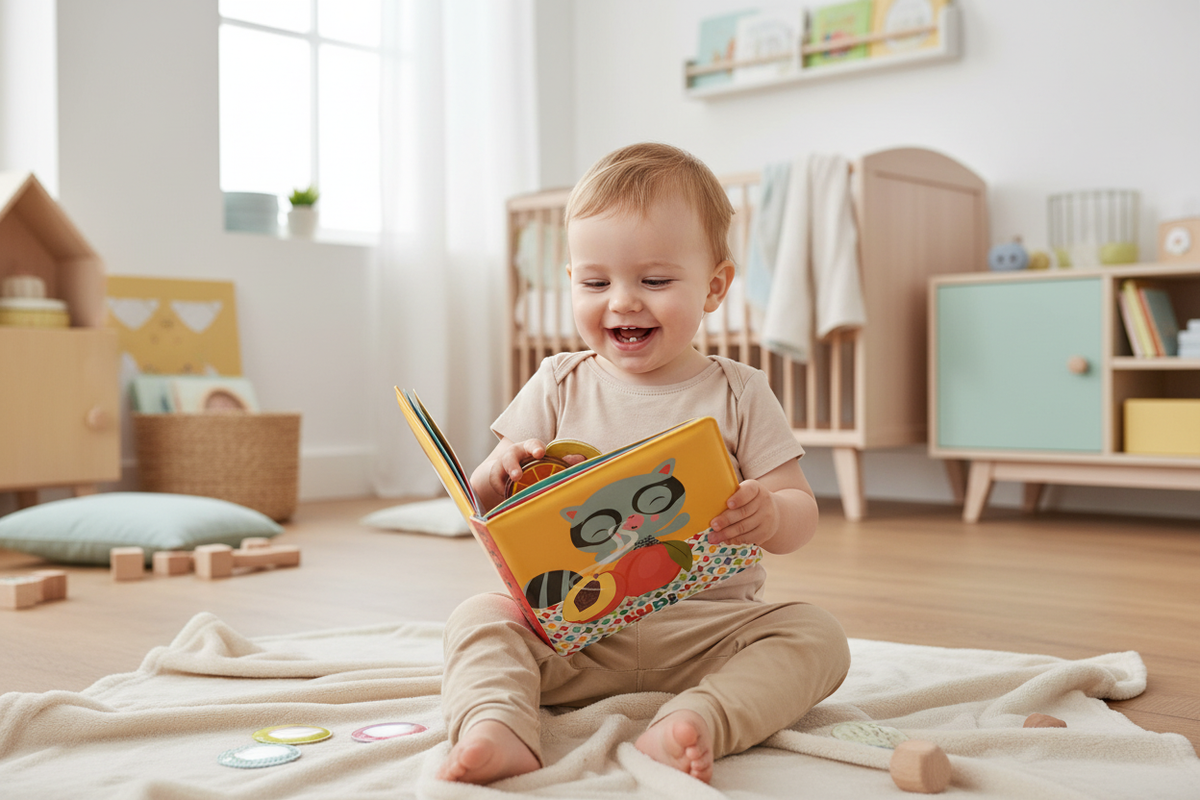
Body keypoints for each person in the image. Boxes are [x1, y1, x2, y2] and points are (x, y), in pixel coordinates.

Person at [437, 142, 851, 785]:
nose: (623, 302)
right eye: (596, 282)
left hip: (707, 634)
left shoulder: (740, 391)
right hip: (575, 639)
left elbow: (801, 515)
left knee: (817, 636)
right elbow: (484, 501)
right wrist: (498, 475)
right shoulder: (556, 382)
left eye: (654, 281)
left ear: (714, 287)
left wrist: (769, 513)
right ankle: (498, 722)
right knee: (479, 617)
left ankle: (700, 718)